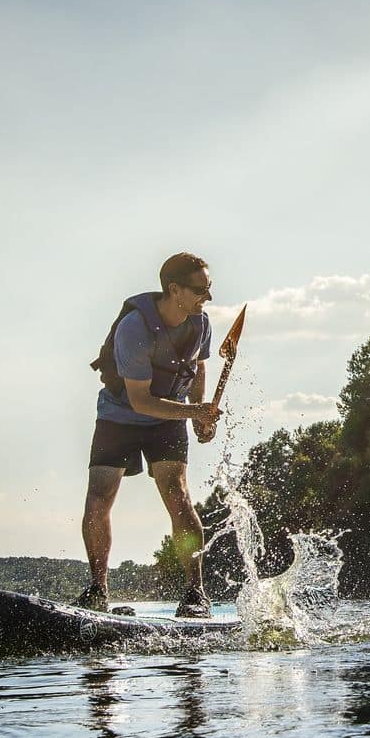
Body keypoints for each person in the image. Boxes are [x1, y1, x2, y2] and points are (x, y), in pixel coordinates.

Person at [80, 252, 223, 617]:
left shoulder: (200, 322)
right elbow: (141, 401)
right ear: (174, 289)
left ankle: (195, 594)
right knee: (99, 496)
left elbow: (198, 366)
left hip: (169, 418)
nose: (206, 297)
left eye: (209, 288)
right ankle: (98, 590)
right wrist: (194, 412)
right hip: (120, 415)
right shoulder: (134, 328)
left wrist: (199, 414)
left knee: (178, 496)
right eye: (200, 290)